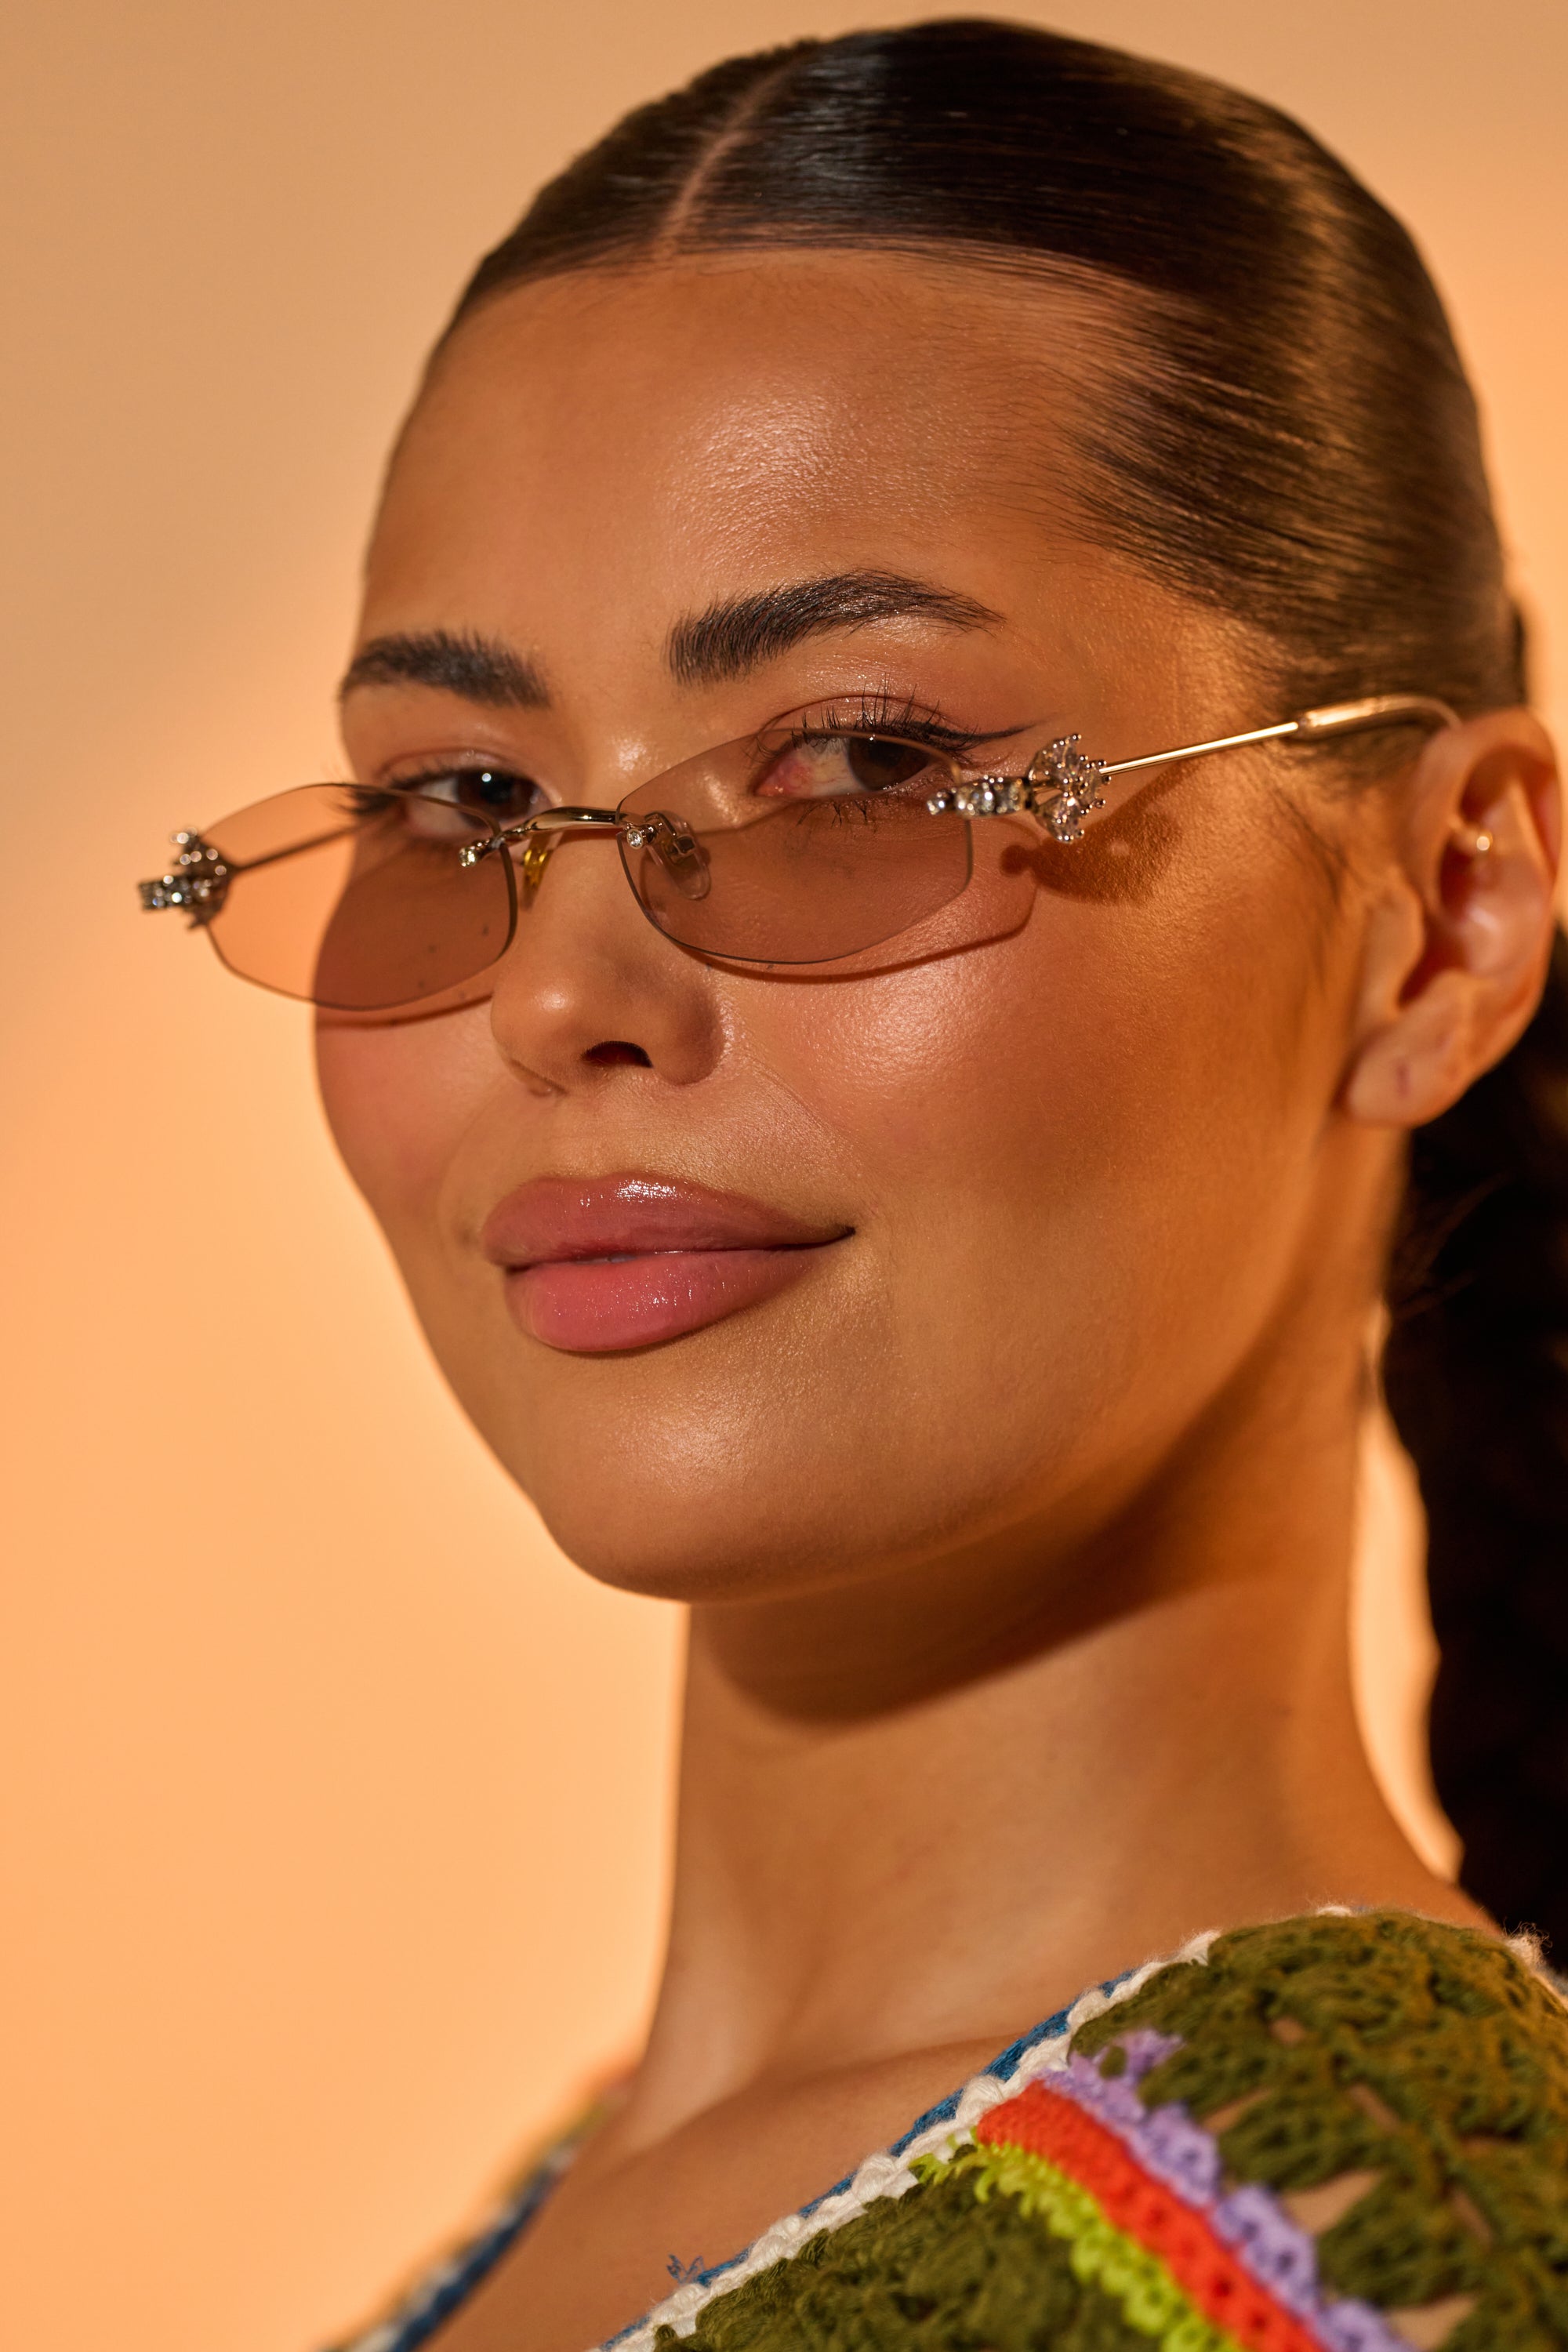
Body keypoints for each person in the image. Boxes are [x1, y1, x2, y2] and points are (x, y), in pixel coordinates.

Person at [138, 20, 1568, 2350]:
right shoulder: (590, 2219)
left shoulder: (1354, 2269)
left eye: (868, 761)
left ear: (1446, 913)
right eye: (464, 805)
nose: (555, 995)